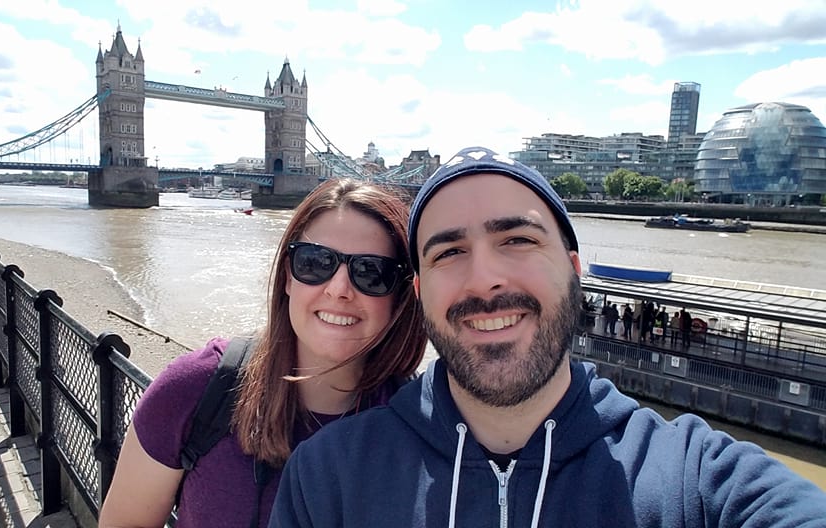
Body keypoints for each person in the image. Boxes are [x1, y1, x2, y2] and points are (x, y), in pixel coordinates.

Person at [270, 146, 826, 527]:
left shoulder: (694, 480)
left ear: (574, 269)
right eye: (449, 252)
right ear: (418, 291)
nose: (485, 277)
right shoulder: (327, 479)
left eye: (516, 240)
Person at [99, 179, 427, 528]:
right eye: (315, 263)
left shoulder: (422, 425)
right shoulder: (195, 389)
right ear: (288, 277)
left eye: (370, 272)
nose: (339, 290)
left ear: (401, 295)